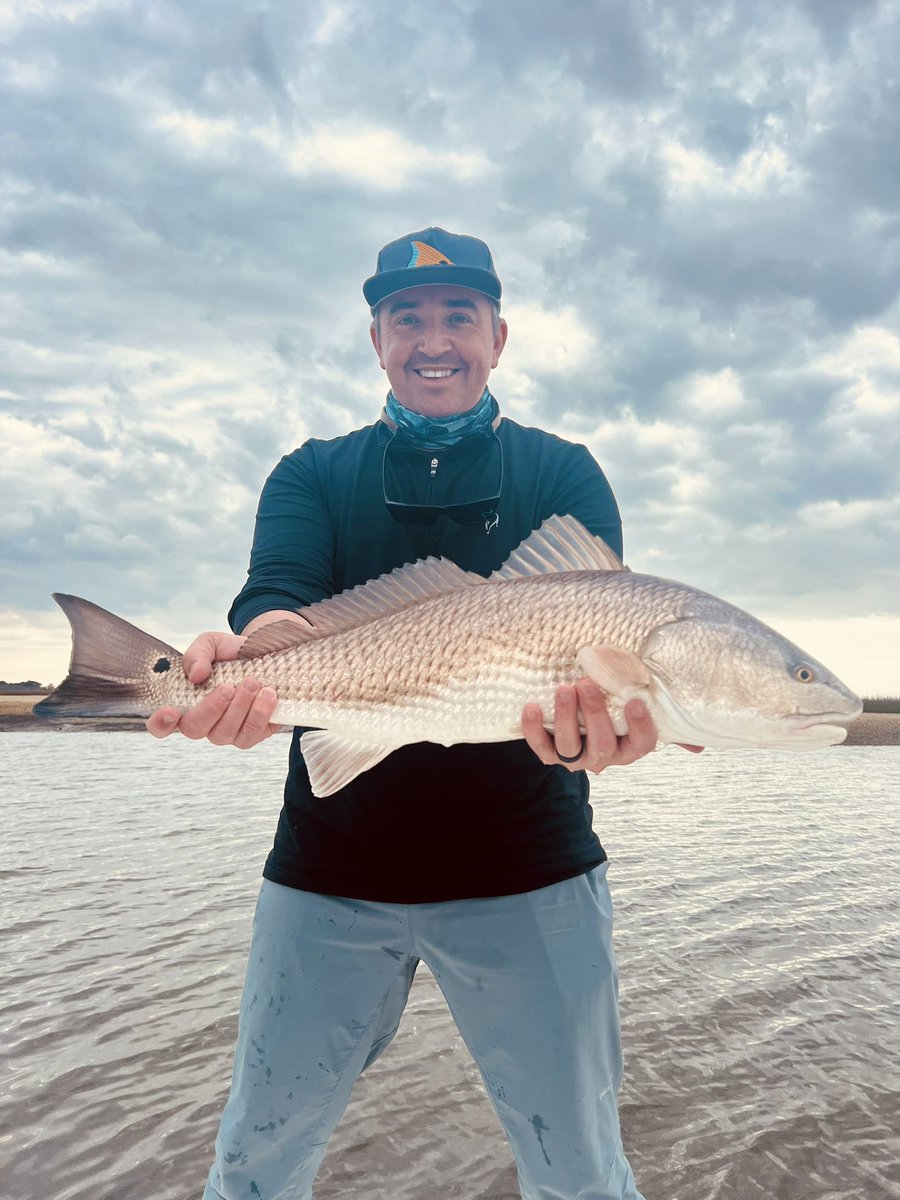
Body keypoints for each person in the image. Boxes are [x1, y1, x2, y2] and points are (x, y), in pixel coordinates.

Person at [149, 227, 671, 1200]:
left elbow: (605, 638)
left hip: (532, 875)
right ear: (377, 339)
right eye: (407, 317)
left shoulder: (565, 475)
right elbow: (281, 601)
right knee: (254, 1165)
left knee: (586, 1174)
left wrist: (618, 727)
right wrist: (253, 660)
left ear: (499, 336)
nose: (434, 338)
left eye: (458, 316)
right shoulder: (311, 474)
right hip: (327, 874)